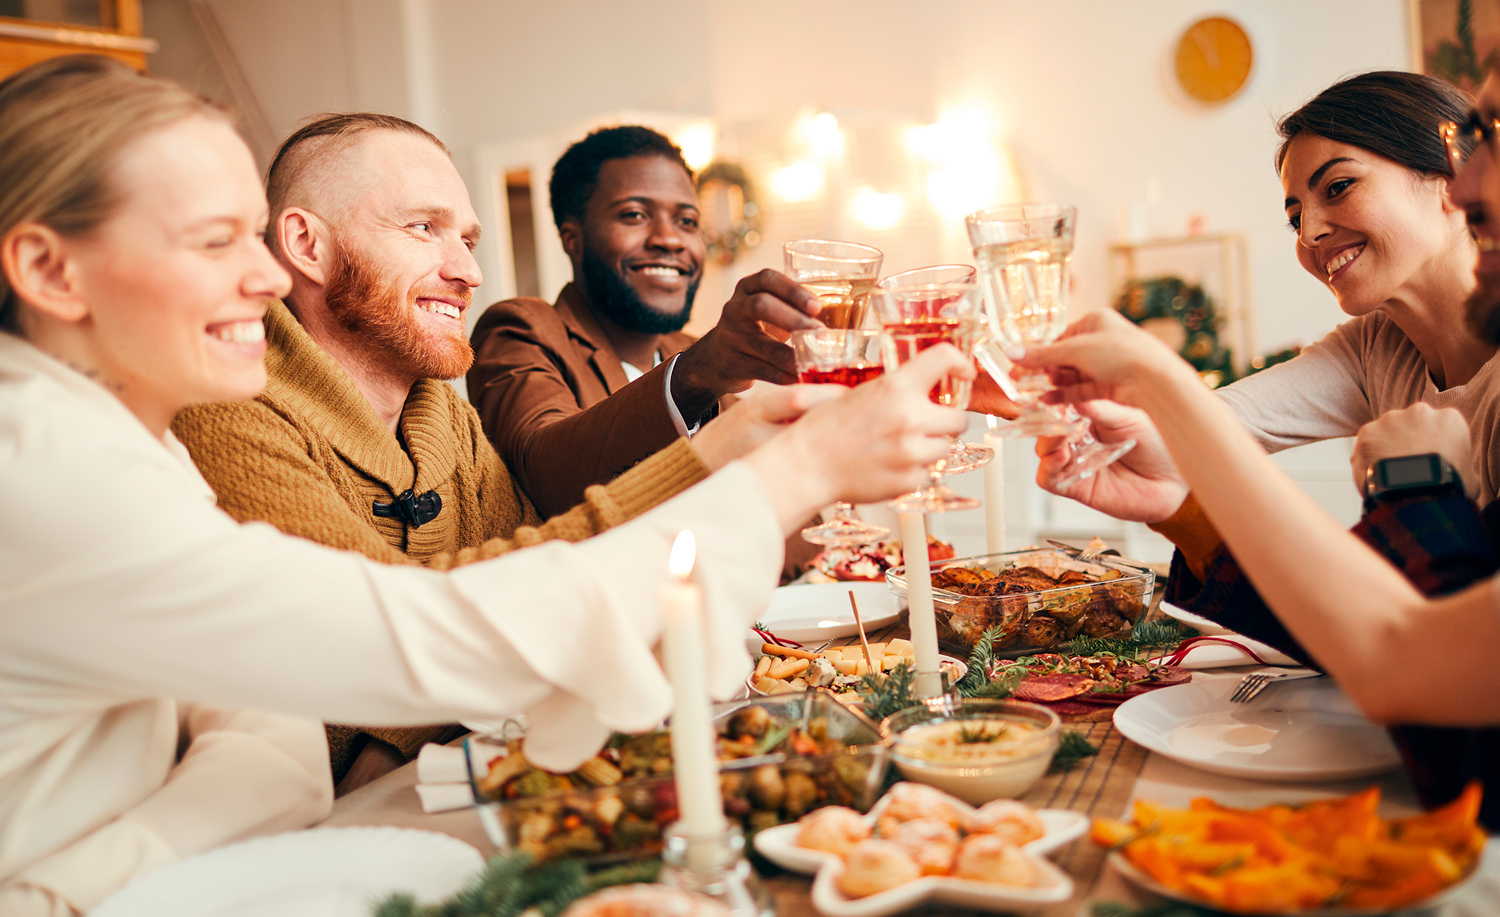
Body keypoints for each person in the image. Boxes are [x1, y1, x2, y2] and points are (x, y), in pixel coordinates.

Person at [0, 55, 971, 914]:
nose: (261, 279)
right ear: (50, 269)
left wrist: (73, 882)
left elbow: (281, 745)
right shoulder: (44, 463)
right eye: (215, 240)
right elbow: (421, 637)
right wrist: (783, 469)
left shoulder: (126, 438)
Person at [170, 114, 747, 793]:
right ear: (306, 244)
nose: (468, 271)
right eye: (423, 228)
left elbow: (535, 582)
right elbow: (383, 640)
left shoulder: (442, 413)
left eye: (467, 238)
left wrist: (397, 744)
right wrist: (719, 459)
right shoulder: (224, 406)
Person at [1009, 69, 1500, 829]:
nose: (1309, 234)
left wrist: (1411, 486)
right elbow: (1205, 428)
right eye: (1295, 212)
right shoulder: (1376, 347)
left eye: (1338, 187)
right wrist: (1157, 473)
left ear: (1444, 179)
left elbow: (1443, 691)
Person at [467, 126, 825, 517]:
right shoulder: (520, 330)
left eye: (687, 221)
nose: (670, 239)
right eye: (635, 215)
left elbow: (786, 508)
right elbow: (546, 477)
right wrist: (693, 378)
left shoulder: (686, 347)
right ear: (573, 238)